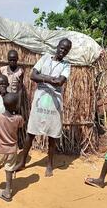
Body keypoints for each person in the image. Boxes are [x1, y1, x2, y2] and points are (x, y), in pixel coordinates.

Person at [14, 38, 72, 177]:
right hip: (40, 100)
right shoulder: (45, 57)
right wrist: (50, 79)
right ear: (57, 46)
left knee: (52, 133)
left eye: (66, 49)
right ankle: (22, 161)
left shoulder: (66, 65)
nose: (62, 51)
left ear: (68, 52)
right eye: (61, 47)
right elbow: (32, 75)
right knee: (31, 131)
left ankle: (49, 164)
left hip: (54, 103)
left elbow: (60, 82)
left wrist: (43, 78)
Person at [0, 93, 24, 202]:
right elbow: (19, 132)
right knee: (9, 170)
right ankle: (7, 192)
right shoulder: (19, 118)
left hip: (0, 149)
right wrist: (19, 143)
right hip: (12, 150)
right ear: (15, 106)